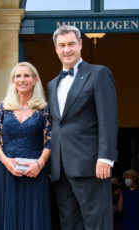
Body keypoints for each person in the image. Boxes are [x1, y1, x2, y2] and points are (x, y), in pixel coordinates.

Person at [47, 25, 118, 230]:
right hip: (60, 168)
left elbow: (108, 118)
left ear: (80, 45)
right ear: (56, 49)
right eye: (62, 45)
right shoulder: (52, 84)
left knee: (96, 223)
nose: (66, 50)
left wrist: (105, 157)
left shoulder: (98, 74)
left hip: (90, 165)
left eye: (71, 44)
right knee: (69, 224)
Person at [0, 62, 52, 229]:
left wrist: (39, 163)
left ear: (35, 80)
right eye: (18, 76)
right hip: (7, 171)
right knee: (6, 217)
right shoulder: (3, 108)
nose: (22, 79)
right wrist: (5, 161)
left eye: (26, 75)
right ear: (13, 81)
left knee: (34, 220)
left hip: (35, 172)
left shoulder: (44, 110)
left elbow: (50, 141)